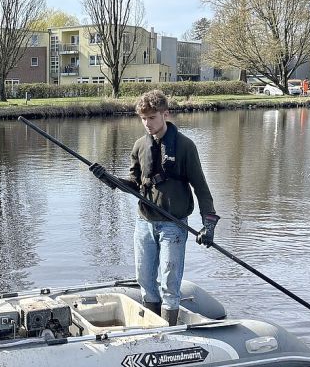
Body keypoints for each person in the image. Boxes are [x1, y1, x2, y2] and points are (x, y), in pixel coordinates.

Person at [89, 90, 218, 326]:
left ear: (165, 114)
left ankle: (169, 329)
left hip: (174, 225)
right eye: (143, 118)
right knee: (145, 279)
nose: (147, 124)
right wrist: (108, 178)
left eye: (152, 118)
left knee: (169, 281)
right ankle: (153, 325)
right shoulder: (140, 146)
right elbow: (134, 185)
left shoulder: (185, 146)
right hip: (144, 223)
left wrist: (207, 224)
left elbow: (201, 187)